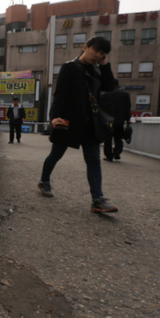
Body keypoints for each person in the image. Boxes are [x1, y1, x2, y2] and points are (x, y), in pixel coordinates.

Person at [37, 36, 118, 213]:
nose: (98, 55)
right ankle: (44, 181)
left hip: (90, 124)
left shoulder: (98, 70)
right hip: (68, 121)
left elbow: (110, 87)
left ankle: (97, 199)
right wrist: (54, 117)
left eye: (102, 53)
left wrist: (105, 65)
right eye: (96, 50)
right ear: (85, 47)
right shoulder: (69, 67)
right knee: (56, 154)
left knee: (93, 161)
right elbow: (60, 94)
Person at [100, 79, 132, 162]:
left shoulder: (104, 95)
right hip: (119, 120)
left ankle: (109, 155)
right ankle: (117, 151)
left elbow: (101, 109)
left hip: (108, 120)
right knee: (118, 137)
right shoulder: (125, 95)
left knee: (108, 139)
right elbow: (127, 108)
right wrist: (128, 119)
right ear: (117, 84)